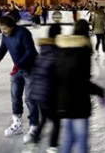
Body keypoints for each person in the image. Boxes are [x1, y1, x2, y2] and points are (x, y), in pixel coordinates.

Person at [54, 20, 105, 153]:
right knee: (81, 140)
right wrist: (99, 91)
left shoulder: (62, 48)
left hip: (63, 101)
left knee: (69, 137)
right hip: (78, 103)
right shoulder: (83, 50)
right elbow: (81, 80)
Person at [0, 15, 39, 139]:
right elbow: (3, 48)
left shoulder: (23, 33)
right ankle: (17, 124)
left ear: (12, 26)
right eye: (1, 29)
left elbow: (31, 51)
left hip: (31, 69)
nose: (3, 31)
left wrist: (19, 64)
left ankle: (34, 126)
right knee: (15, 96)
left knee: (30, 99)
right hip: (18, 69)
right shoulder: (5, 35)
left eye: (5, 29)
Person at [25, 24, 62, 152]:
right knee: (56, 122)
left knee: (45, 118)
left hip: (38, 93)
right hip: (49, 94)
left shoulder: (43, 51)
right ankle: (52, 147)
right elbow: (58, 75)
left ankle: (34, 142)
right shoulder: (57, 53)